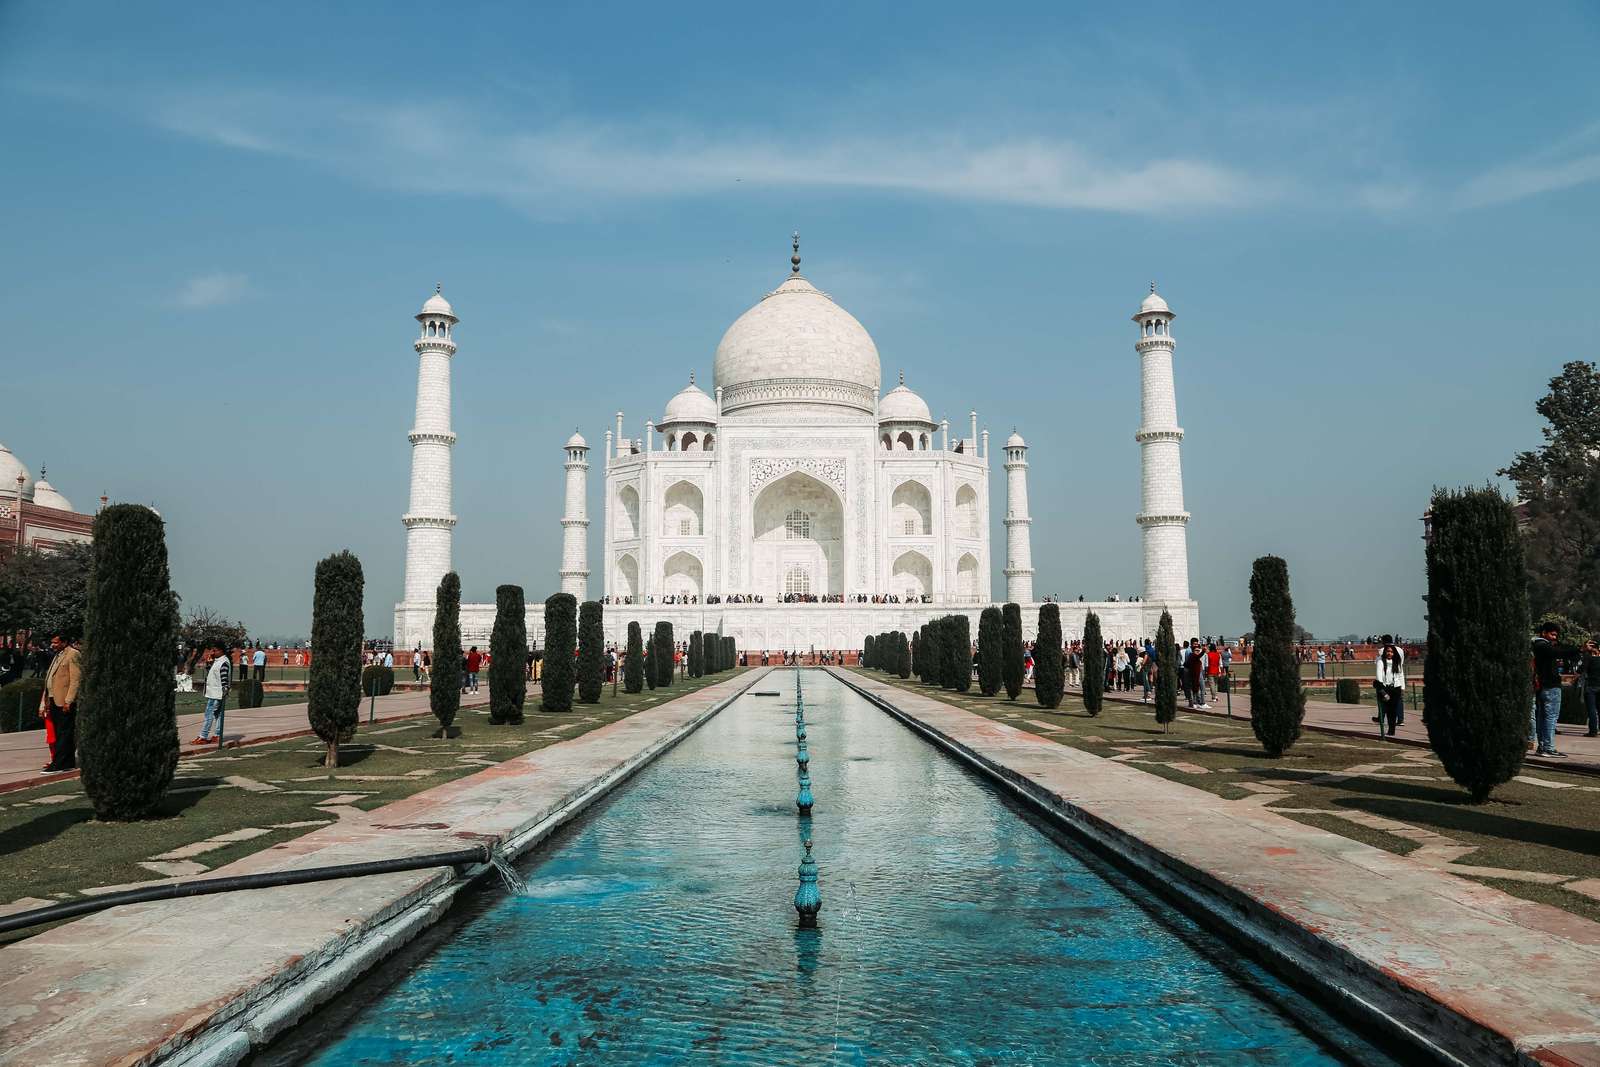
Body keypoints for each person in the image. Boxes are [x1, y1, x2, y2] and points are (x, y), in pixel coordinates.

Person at [1531, 622, 1580, 757]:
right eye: (1552, 634)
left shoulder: (1537, 645)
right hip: (1551, 686)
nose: (1554, 637)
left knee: (1543, 717)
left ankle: (1542, 747)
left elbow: (1561, 649)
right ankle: (1548, 748)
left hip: (1542, 687)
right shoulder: (1543, 646)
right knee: (1551, 718)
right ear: (1544, 633)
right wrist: (1581, 649)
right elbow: (1560, 652)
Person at [37, 633, 81, 772]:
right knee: (59, 732)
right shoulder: (58, 655)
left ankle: (59, 763)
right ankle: (67, 762)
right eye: (52, 642)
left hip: (64, 701)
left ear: (64, 642)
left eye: (56, 642)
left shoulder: (73, 654)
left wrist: (69, 700)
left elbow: (75, 680)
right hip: (53, 700)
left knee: (64, 733)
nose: (53, 645)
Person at [193, 645, 231, 746]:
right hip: (214, 693)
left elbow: (224, 679)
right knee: (217, 714)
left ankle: (203, 736)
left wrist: (225, 690)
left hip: (217, 694)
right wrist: (209, 663)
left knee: (208, 714)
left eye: (215, 650)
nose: (213, 652)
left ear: (221, 650)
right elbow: (212, 674)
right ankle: (218, 735)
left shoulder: (223, 663)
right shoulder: (218, 661)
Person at [1373, 636, 1405, 737]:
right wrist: (1383, 691)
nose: (1389, 653)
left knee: (1393, 711)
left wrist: (1402, 687)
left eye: (1391, 652)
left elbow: (1401, 674)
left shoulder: (1397, 662)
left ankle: (1392, 730)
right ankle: (1383, 725)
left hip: (1395, 687)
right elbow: (1379, 675)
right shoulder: (1381, 661)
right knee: (1385, 708)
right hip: (1384, 687)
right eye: (1388, 651)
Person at [1582, 639, 1600, 738]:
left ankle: (1593, 731)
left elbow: (1581, 669)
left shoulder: (1588, 658)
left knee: (1592, 709)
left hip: (1591, 686)